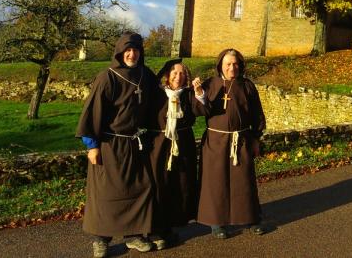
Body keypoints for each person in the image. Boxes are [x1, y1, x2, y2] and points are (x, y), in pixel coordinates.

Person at [76, 32, 158, 258]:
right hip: (110, 144)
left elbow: (160, 100)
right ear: (120, 52)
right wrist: (91, 145)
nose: (132, 54)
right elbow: (92, 112)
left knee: (140, 188)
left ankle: (133, 235)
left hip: (136, 143)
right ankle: (101, 239)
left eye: (136, 50)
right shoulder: (108, 77)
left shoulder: (145, 75)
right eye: (127, 50)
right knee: (106, 193)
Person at [197, 48, 266, 239]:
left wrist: (255, 137)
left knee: (243, 181)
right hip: (215, 142)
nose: (232, 67)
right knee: (215, 182)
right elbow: (199, 109)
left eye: (235, 64)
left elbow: (257, 114)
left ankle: (251, 218)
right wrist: (199, 94)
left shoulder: (247, 86)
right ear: (220, 65)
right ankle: (217, 223)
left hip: (241, 140)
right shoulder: (210, 84)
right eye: (228, 64)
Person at [148, 59, 206, 249]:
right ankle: (155, 229)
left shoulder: (188, 95)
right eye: (174, 72)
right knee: (159, 184)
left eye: (182, 73)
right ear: (167, 75)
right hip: (159, 145)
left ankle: (170, 226)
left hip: (183, 145)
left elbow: (203, 110)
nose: (178, 76)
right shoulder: (156, 94)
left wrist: (199, 94)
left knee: (179, 185)